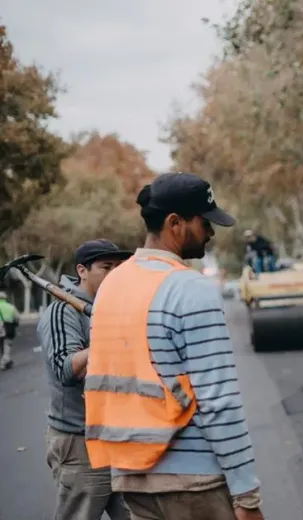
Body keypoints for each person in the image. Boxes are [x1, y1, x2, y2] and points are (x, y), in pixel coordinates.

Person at [83, 172, 265, 520]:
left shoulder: (110, 286)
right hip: (194, 483)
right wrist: (246, 494)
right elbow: (218, 400)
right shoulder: (189, 287)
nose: (211, 232)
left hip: (132, 479)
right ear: (175, 223)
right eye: (205, 222)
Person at [38, 239, 133, 520]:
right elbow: (66, 370)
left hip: (120, 437)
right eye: (106, 267)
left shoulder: (112, 307)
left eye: (118, 267)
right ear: (82, 270)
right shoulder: (62, 311)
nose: (114, 273)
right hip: (80, 442)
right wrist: (106, 340)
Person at [0, 289, 18, 370]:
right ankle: (3, 362)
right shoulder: (11, 307)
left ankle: (8, 361)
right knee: (7, 345)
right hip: (7, 328)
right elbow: (17, 317)